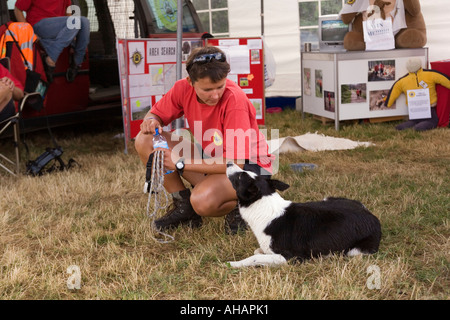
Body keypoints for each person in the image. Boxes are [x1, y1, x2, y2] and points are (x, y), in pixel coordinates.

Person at [135, 46, 274, 235]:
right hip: (213, 158)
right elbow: (155, 114)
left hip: (249, 168)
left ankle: (249, 203)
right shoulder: (181, 88)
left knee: (203, 201)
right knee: (145, 140)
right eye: (207, 89)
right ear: (190, 82)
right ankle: (184, 207)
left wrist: (180, 164)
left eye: (220, 86)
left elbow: (235, 162)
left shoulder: (235, 100)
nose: (215, 94)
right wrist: (151, 121)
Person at [14, 0, 90, 83]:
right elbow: (18, 9)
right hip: (39, 25)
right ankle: (51, 58)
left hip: (58, 26)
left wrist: (73, 34)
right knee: (76, 21)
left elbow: (68, 12)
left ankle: (76, 63)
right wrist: (29, 32)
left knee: (85, 21)